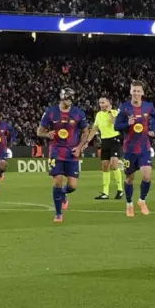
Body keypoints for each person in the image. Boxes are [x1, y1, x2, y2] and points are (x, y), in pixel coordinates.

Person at [37, 87, 89, 223]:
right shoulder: (51, 112)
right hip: (56, 151)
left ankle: (63, 194)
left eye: (72, 98)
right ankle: (58, 213)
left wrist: (79, 147)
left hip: (72, 152)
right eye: (67, 97)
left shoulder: (78, 113)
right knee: (57, 180)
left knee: (72, 186)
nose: (69, 101)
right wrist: (46, 134)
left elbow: (85, 132)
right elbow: (39, 131)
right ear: (61, 97)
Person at [114, 81, 155, 217]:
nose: (136, 93)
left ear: (142, 93)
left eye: (139, 91)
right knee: (129, 178)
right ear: (130, 92)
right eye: (134, 91)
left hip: (144, 147)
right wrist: (127, 123)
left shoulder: (148, 106)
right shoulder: (124, 107)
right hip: (129, 149)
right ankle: (129, 204)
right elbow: (116, 126)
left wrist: (153, 129)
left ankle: (142, 200)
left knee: (147, 175)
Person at [92, 97, 123, 201]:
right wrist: (87, 141)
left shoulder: (114, 112)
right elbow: (95, 128)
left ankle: (120, 190)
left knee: (114, 165)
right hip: (104, 141)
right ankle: (105, 193)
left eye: (103, 102)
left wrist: (110, 111)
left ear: (109, 103)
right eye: (100, 102)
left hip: (114, 140)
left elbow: (114, 123)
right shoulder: (99, 115)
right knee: (105, 166)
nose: (101, 104)